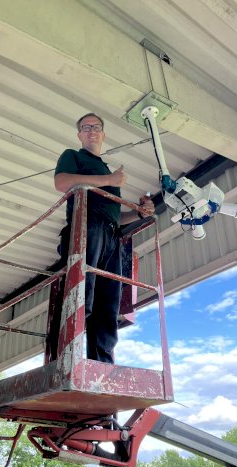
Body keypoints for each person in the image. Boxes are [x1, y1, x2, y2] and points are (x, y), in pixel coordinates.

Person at [53, 113, 155, 363]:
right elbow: (61, 182)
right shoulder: (72, 156)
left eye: (96, 127)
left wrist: (138, 213)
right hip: (86, 228)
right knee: (80, 295)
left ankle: (102, 364)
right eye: (85, 127)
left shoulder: (106, 170)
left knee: (108, 303)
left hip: (111, 234)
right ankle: (64, 359)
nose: (91, 131)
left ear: (103, 134)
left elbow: (113, 215)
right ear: (79, 135)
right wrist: (109, 180)